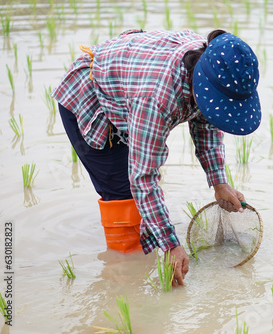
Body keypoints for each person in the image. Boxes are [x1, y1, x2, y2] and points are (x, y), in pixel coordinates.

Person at [52, 29, 261, 286]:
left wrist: (220, 183)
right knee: (122, 193)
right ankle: (123, 278)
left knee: (138, 195)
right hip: (89, 97)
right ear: (202, 85)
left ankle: (137, 261)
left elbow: (205, 121)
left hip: (129, 93)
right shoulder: (156, 99)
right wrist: (171, 246)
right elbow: (142, 178)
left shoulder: (211, 64)